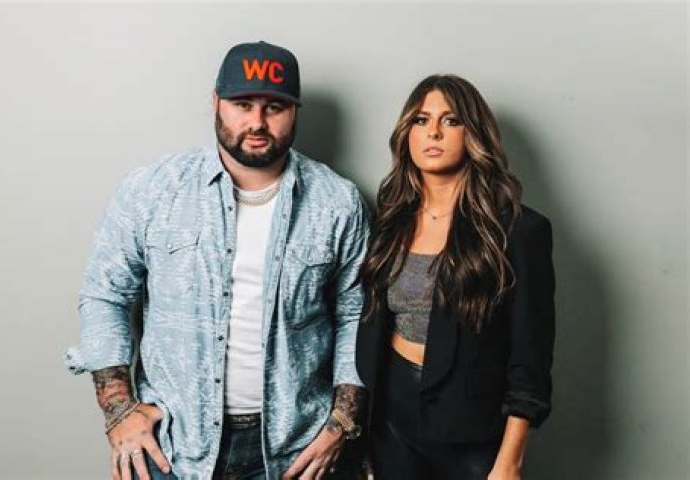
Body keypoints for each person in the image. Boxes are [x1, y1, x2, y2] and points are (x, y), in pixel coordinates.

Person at [65, 40, 368, 480]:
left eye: (274, 107)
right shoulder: (152, 190)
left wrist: (341, 423)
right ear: (216, 102)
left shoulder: (337, 202)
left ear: (295, 111)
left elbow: (355, 314)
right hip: (174, 446)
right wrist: (118, 411)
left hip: (296, 451)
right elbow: (104, 295)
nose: (257, 122)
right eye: (242, 105)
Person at [356, 74, 555, 479]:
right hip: (391, 419)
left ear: (473, 133)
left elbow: (530, 359)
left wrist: (510, 462)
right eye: (421, 120)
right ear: (407, 133)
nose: (433, 132)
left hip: (472, 432)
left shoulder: (517, 231)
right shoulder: (388, 222)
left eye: (450, 121)